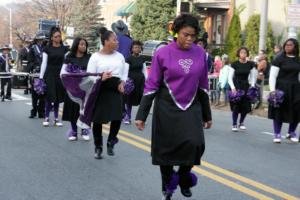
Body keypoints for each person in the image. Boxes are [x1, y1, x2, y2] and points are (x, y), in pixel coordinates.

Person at [135, 14, 212, 200]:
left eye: (193, 36)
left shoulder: (200, 53)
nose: (189, 39)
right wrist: (141, 115)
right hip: (166, 107)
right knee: (166, 151)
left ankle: (184, 177)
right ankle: (167, 187)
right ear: (176, 32)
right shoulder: (162, 53)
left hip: (191, 105)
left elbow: (203, 85)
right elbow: (152, 84)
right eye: (186, 34)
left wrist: (207, 115)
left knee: (196, 144)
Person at [87, 30, 128, 159]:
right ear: (105, 42)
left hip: (116, 89)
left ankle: (111, 141)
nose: (117, 42)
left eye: (117, 39)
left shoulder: (120, 56)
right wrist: (101, 77)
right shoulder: (95, 57)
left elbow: (124, 71)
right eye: (114, 39)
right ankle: (98, 147)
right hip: (100, 89)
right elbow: (89, 77)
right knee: (97, 120)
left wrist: (123, 82)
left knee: (117, 117)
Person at [268, 38, 300, 143]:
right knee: (279, 111)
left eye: (290, 45)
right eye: (286, 45)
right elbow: (272, 76)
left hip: (295, 88)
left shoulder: (298, 60)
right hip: (281, 88)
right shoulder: (279, 59)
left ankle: (291, 132)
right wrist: (272, 91)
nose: (287, 46)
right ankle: (277, 134)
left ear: (295, 46)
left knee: (297, 111)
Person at [60, 37, 91, 141]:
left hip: (86, 87)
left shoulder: (89, 57)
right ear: (76, 45)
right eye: (81, 44)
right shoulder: (69, 57)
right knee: (73, 109)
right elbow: (62, 73)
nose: (83, 46)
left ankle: (84, 129)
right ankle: (73, 130)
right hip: (72, 87)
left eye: (85, 45)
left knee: (85, 108)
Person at [39, 26, 69, 127]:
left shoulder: (64, 48)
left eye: (59, 36)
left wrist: (67, 74)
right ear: (52, 38)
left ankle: (56, 118)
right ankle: (46, 117)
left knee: (57, 97)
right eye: (56, 37)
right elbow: (44, 63)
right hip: (49, 75)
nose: (58, 38)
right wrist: (41, 77)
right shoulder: (47, 49)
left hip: (60, 75)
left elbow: (66, 63)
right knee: (49, 97)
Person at [228, 47, 257, 132]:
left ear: (247, 54)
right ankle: (234, 124)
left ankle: (241, 122)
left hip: (246, 86)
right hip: (236, 85)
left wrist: (252, 86)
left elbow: (253, 77)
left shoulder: (250, 64)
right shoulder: (234, 64)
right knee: (236, 106)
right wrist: (233, 87)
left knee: (246, 106)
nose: (243, 54)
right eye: (241, 53)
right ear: (239, 54)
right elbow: (230, 77)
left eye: (245, 53)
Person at [122, 40, 147, 124]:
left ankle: (141, 118)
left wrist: (147, 81)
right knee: (129, 100)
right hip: (131, 81)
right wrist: (124, 81)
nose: (137, 49)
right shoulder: (128, 59)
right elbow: (125, 71)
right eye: (135, 47)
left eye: (139, 47)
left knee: (142, 99)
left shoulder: (142, 58)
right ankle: (127, 117)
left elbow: (144, 70)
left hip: (140, 81)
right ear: (132, 49)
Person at [28, 32, 47, 118]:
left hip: (44, 74)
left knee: (43, 94)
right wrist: (34, 66)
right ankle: (34, 111)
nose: (41, 41)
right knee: (35, 94)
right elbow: (29, 61)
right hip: (35, 73)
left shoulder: (46, 48)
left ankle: (41, 111)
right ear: (36, 40)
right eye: (39, 39)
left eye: (42, 39)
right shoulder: (32, 48)